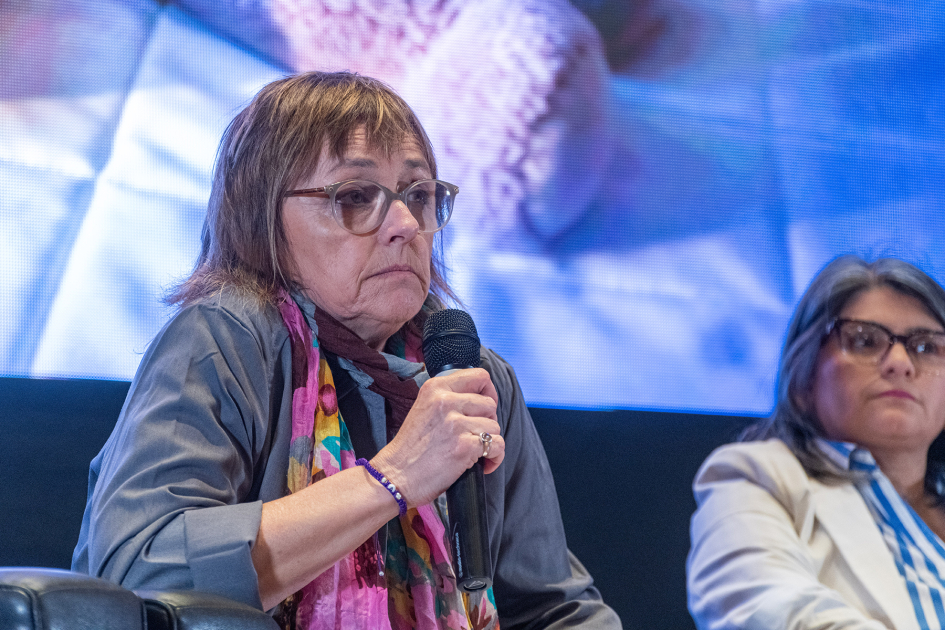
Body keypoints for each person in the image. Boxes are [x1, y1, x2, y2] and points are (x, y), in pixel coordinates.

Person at [72, 71, 621, 629]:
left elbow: (552, 609)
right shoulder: (222, 341)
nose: (405, 225)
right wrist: (393, 477)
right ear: (263, 221)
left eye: (418, 195)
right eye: (355, 197)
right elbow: (137, 574)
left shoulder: (470, 376)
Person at [687, 255, 945, 630]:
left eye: (926, 348)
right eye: (865, 341)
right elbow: (769, 613)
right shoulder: (753, 478)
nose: (900, 362)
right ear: (803, 379)